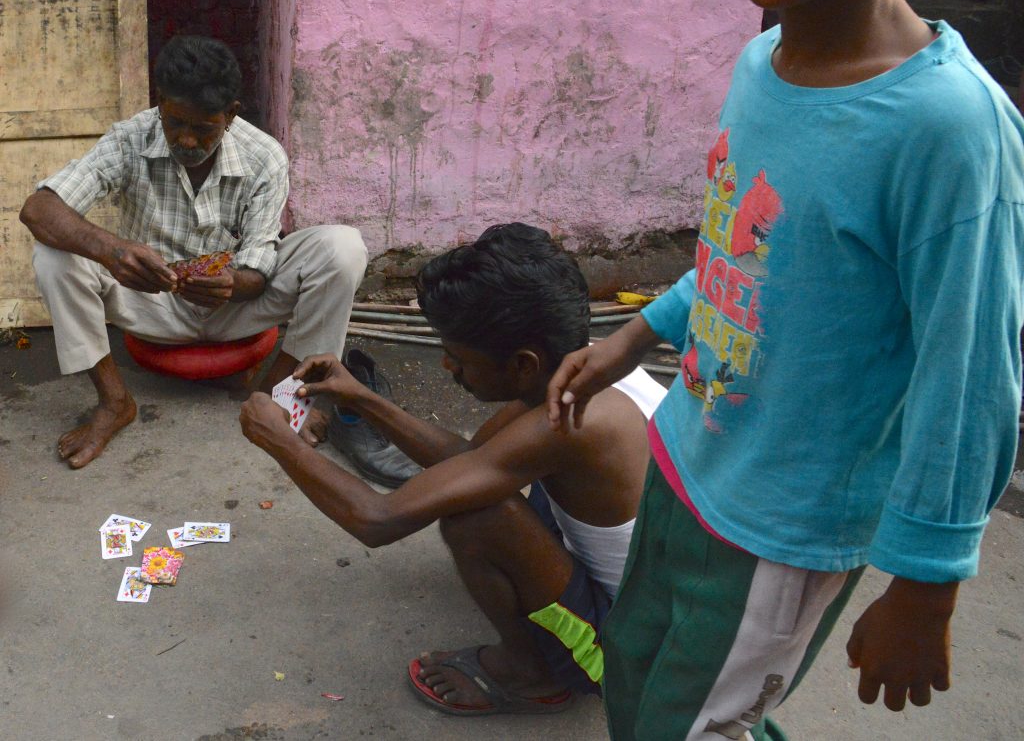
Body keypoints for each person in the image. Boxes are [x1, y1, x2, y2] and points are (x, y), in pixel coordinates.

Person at [545, 0, 1024, 739]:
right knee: (637, 689)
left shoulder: (947, 129)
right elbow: (745, 256)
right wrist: (632, 340)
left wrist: (925, 587)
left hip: (785, 526)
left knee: (692, 724)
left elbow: (970, 382)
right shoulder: (760, 63)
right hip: (688, 457)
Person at [239, 223, 666, 715]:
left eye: (457, 357)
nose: (447, 368)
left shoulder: (577, 422)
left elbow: (378, 520)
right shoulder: (584, 369)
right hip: (652, 599)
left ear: (524, 363)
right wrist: (362, 396)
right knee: (474, 488)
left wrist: (281, 443)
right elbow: (469, 461)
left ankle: (532, 675)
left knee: (475, 516)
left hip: (632, 659)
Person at [19, 35, 371, 469]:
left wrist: (233, 285)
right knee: (53, 254)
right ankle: (113, 403)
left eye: (203, 128)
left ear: (231, 114)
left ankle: (283, 396)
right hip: (151, 304)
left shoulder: (265, 156)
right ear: (160, 102)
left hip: (237, 306)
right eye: (174, 123)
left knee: (342, 247)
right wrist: (113, 251)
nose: (186, 139)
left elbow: (260, 267)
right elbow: (38, 208)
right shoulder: (129, 139)